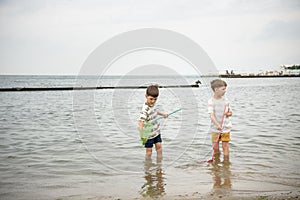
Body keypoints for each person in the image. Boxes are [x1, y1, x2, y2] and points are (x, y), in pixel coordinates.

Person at [138, 85, 168, 159]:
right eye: (151, 99)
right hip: (148, 134)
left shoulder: (153, 105)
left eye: (155, 99)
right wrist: (142, 134)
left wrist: (163, 114)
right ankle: (147, 167)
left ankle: (159, 166)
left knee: (159, 148)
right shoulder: (145, 110)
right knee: (149, 152)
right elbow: (141, 122)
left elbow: (155, 111)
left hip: (156, 132)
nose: (153, 101)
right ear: (146, 96)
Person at [208, 79, 232, 159]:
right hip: (215, 128)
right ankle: (216, 163)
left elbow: (230, 112)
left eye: (225, 89)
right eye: (223, 89)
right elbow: (211, 115)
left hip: (225, 128)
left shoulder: (226, 101)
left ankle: (226, 163)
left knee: (225, 146)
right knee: (216, 148)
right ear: (216, 90)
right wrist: (217, 125)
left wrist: (228, 114)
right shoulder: (211, 101)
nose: (225, 91)